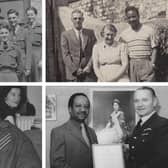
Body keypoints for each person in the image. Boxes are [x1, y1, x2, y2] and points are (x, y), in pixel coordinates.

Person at [50, 93, 98, 168]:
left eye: (86, 106)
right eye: (78, 106)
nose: (83, 109)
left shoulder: (92, 132)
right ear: (70, 109)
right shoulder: (58, 132)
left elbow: (96, 157)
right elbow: (57, 164)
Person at [127, 86, 168, 168]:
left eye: (145, 100)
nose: (140, 105)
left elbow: (161, 160)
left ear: (154, 102)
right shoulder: (138, 126)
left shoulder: (163, 124)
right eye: (136, 101)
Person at [119, 6, 157, 82]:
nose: (132, 19)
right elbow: (121, 51)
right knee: (135, 87)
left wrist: (152, 64)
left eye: (134, 16)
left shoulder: (149, 30)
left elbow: (154, 48)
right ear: (126, 19)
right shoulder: (124, 34)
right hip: (132, 64)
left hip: (146, 63)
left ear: (138, 16)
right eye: (129, 17)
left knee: (150, 86)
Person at [61, 9, 97, 82]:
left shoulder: (90, 33)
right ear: (71, 20)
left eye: (80, 18)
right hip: (73, 74)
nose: (77, 20)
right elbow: (65, 55)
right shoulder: (65, 35)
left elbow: (95, 51)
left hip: (88, 72)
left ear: (83, 19)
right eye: (75, 18)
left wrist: (89, 66)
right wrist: (75, 69)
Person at [7, 9, 32, 81]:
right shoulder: (8, 33)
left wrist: (28, 67)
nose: (12, 20)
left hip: (23, 65)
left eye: (14, 18)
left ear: (17, 18)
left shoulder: (25, 31)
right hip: (12, 66)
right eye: (10, 18)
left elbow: (29, 51)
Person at [25, 6, 42, 82]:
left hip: (37, 57)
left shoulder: (41, 27)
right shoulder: (24, 28)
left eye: (31, 14)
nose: (30, 17)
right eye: (28, 15)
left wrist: (42, 59)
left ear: (36, 15)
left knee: (37, 78)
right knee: (27, 79)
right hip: (26, 57)